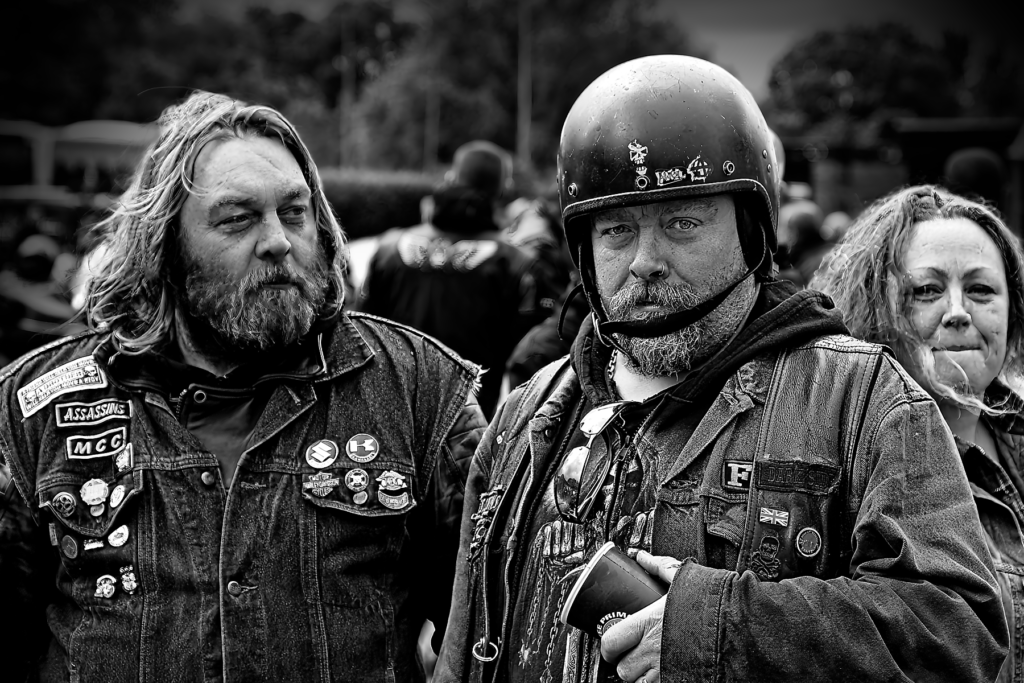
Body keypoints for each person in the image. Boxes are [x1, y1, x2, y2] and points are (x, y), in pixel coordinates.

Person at [436, 55, 1006, 683]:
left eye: (683, 223)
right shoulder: (527, 420)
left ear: (751, 232)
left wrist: (715, 631)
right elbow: (465, 651)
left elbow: (959, 633)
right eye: (617, 230)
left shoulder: (863, 399)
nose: (646, 260)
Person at [0, 91, 486, 682]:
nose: (279, 240)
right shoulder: (35, 407)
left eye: (295, 211)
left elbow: (488, 617)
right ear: (165, 246)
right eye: (238, 219)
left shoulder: (419, 387)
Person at [811, 184, 1024, 683]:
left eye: (981, 290)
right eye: (926, 290)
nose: (958, 311)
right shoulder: (830, 454)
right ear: (873, 309)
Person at [360, 141, 543, 419]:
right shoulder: (516, 262)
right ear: (503, 189)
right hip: (470, 429)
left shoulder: (390, 247)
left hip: (389, 418)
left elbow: (361, 333)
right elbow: (531, 357)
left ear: (450, 179)